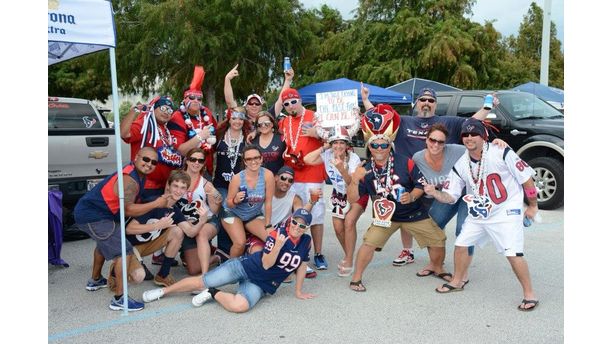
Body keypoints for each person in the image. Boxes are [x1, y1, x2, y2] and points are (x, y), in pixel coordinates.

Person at [361, 84, 495, 266]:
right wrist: (366, 100)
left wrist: (487, 107)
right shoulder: (404, 121)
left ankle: (451, 264)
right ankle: (408, 251)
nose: (426, 103)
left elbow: (472, 123)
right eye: (422, 100)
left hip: (445, 185)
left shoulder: (447, 122)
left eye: (431, 100)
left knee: (449, 226)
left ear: (435, 104)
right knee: (407, 212)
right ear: (416, 103)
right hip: (412, 179)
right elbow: (380, 119)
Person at [423, 118, 539, 311]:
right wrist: (435, 193)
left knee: (513, 253)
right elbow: (451, 196)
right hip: (479, 211)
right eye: (465, 135)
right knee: (461, 244)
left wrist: (533, 206)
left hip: (505, 211)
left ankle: (529, 294)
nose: (469, 138)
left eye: (473, 133)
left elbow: (526, 178)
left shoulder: (501, 152)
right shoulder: (461, 164)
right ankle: (457, 281)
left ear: (483, 136)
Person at [346, 105, 449, 292]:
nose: (379, 148)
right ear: (369, 146)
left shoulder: (405, 161)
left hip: (413, 213)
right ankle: (356, 277)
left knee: (438, 240)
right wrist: (354, 180)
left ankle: (438, 267)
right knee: (368, 243)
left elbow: (420, 184)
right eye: (374, 145)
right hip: (385, 218)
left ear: (389, 145)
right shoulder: (364, 169)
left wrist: (412, 196)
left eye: (383, 144)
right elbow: (353, 199)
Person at [141, 208, 316, 313]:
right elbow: (266, 264)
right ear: (289, 221)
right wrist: (277, 247)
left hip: (262, 283)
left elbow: (301, 265)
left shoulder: (306, 241)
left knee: (240, 306)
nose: (297, 227)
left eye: (302, 225)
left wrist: (298, 291)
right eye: (294, 222)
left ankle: (213, 293)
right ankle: (163, 293)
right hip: (244, 267)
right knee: (201, 281)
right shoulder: (277, 235)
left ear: (306, 228)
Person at [74, 147, 173, 311]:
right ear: (136, 157)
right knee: (124, 251)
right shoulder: (130, 181)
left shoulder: (136, 173)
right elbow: (128, 209)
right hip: (94, 216)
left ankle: (95, 280)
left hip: (97, 213)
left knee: (103, 242)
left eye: (153, 162)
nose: (149, 164)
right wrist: (157, 203)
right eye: (145, 159)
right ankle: (120, 299)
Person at [412, 123, 508, 282]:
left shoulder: (457, 150)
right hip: (446, 194)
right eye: (432, 140)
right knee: (432, 224)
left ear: (446, 143)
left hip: (469, 194)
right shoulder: (418, 157)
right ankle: (435, 264)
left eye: (441, 142)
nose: (436, 144)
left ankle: (463, 272)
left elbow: (479, 145)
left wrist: (498, 143)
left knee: (463, 229)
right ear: (426, 139)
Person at [124, 170, 210, 288]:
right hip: (128, 247)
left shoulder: (174, 210)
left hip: (145, 246)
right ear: (168, 186)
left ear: (186, 190)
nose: (178, 190)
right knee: (139, 276)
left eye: (182, 188)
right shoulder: (154, 202)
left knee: (178, 232)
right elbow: (128, 229)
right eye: (175, 186)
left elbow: (190, 233)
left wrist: (202, 220)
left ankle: (163, 275)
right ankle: (117, 269)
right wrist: (157, 226)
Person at [277, 87, 328, 270]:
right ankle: (296, 252)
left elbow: (332, 138)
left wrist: (317, 134)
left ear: (299, 100)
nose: (291, 106)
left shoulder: (316, 116)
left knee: (317, 215)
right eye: (286, 104)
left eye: (293, 101)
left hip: (313, 173)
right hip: (292, 175)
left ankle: (319, 254)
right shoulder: (284, 122)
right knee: (295, 216)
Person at [304, 126, 363, 277]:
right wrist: (324, 147)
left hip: (355, 193)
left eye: (341, 143)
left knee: (349, 222)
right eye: (335, 142)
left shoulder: (354, 158)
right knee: (338, 228)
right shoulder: (328, 154)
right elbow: (307, 159)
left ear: (347, 144)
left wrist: (342, 169)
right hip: (338, 194)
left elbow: (351, 184)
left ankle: (349, 259)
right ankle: (349, 255)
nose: (338, 146)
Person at [119, 96, 185, 198]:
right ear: (154, 108)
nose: (167, 112)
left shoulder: (166, 130)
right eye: (163, 108)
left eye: (170, 110)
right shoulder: (145, 124)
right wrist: (134, 111)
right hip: (145, 186)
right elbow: (124, 134)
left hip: (163, 187)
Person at [176, 148, 223, 275]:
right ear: (187, 160)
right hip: (185, 223)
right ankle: (214, 256)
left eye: (200, 160)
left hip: (206, 221)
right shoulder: (176, 178)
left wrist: (215, 195)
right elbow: (167, 201)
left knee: (201, 233)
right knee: (193, 268)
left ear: (203, 164)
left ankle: (204, 276)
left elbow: (215, 210)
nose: (196, 163)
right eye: (193, 159)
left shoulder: (206, 183)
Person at [222, 145, 275, 258]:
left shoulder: (268, 175)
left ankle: (264, 267)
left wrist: (268, 224)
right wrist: (236, 200)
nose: (253, 161)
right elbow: (228, 203)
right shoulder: (237, 178)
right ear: (245, 162)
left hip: (253, 214)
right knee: (239, 244)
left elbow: (269, 202)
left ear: (261, 159)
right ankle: (230, 270)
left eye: (256, 158)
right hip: (233, 213)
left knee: (272, 239)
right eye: (249, 159)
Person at [172, 65, 218, 177]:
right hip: (184, 171)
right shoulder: (177, 117)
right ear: (184, 99)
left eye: (199, 98)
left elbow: (217, 134)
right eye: (191, 97)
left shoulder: (206, 112)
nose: (196, 101)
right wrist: (200, 137)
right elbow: (180, 151)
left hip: (206, 169)